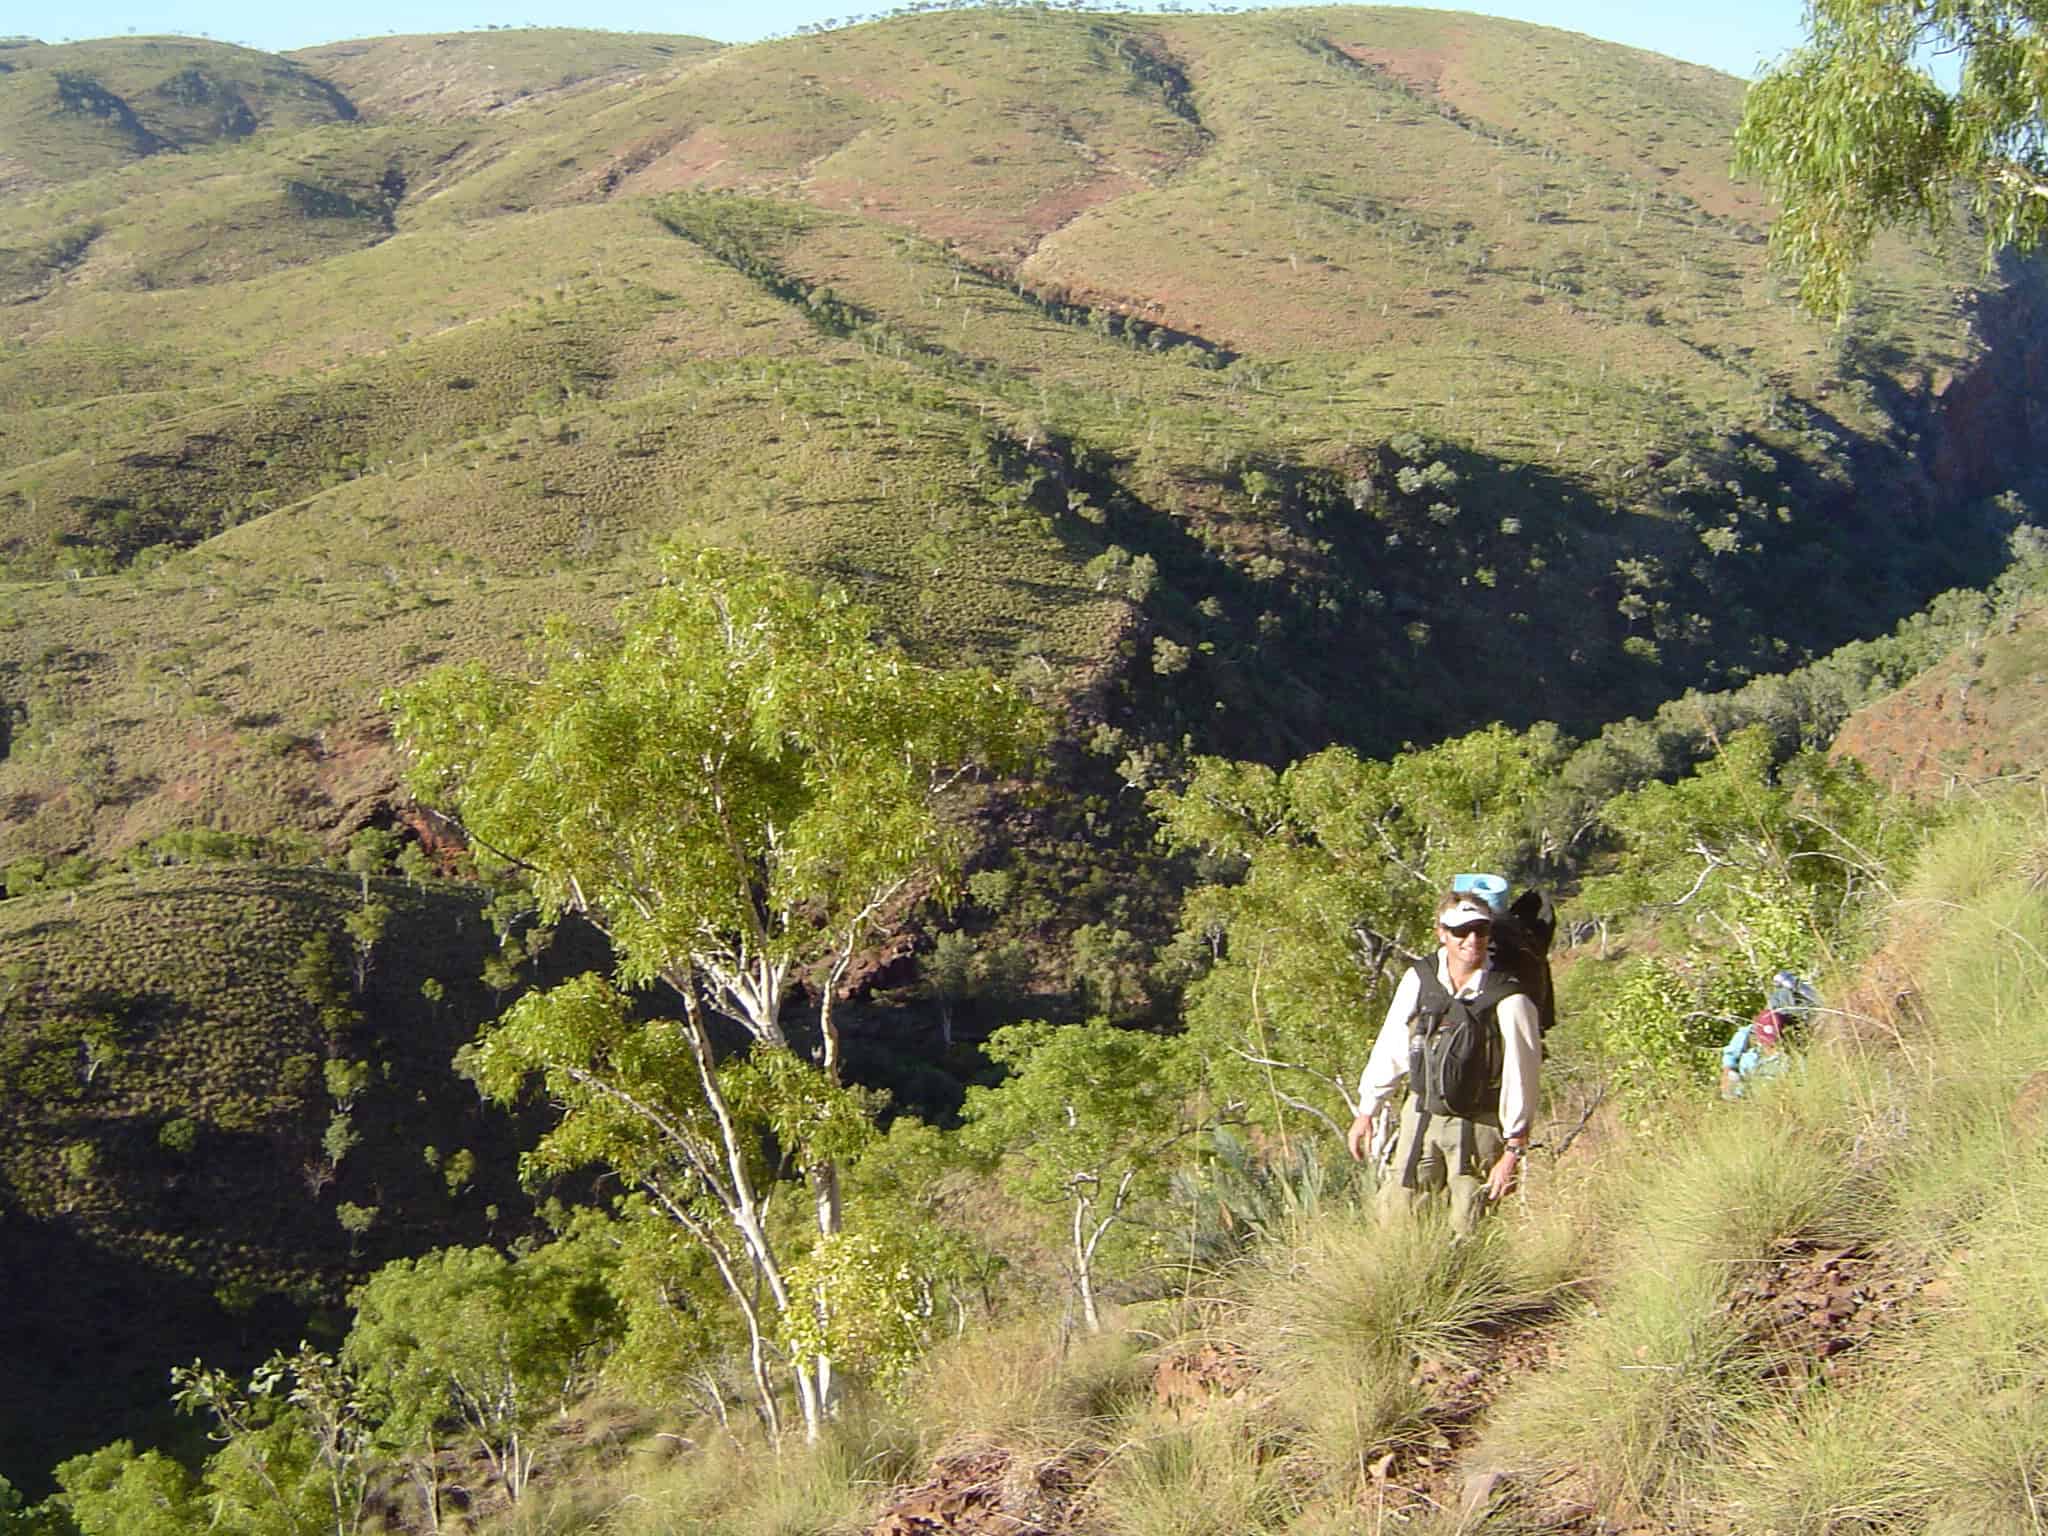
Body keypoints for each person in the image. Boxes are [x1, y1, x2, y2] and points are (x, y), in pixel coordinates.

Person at [1345, 891, 1543, 1235]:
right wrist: (1367, 1110)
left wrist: (1512, 1151)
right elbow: (1392, 1045)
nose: (1471, 940)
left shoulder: (1510, 999)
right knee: (1399, 1210)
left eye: (1480, 930)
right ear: (1441, 932)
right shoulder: (1420, 980)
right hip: (1420, 1114)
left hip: (1480, 1123)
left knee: (1469, 1221)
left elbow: (1522, 1077)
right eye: (1460, 931)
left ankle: (1465, 1287)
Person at [1720, 1009, 1788, 1099]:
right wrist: (1727, 1080)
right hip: (1744, 1085)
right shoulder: (1745, 1035)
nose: (1768, 1045)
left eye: (1772, 1042)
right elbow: (1730, 1058)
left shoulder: (1789, 1051)